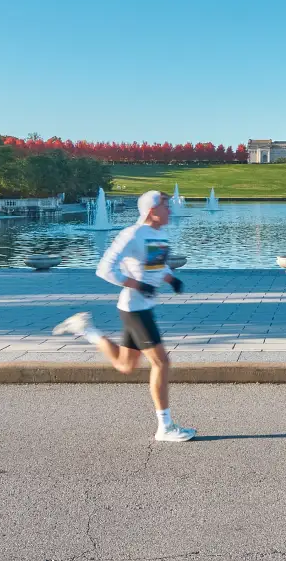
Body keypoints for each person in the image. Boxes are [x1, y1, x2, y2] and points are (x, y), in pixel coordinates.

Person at [52, 189, 195, 442]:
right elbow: (104, 269)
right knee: (162, 363)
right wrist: (137, 285)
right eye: (165, 205)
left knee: (125, 365)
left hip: (140, 307)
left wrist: (171, 279)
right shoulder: (131, 234)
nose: (170, 209)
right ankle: (165, 427)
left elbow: (155, 265)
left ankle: (85, 329)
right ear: (152, 210)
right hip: (136, 309)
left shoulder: (157, 234)